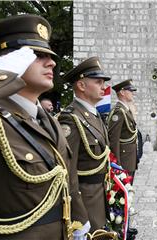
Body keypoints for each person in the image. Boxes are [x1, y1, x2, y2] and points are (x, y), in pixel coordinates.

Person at [0, 15, 89, 239]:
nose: (52, 63)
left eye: (51, 56)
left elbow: (69, 180)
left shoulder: (49, 121)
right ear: (10, 60)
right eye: (37, 55)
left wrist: (81, 220)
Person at [58, 57, 111, 232]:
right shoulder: (71, 118)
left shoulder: (93, 114)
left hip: (99, 195)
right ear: (81, 86)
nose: (104, 87)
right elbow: (67, 170)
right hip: (85, 201)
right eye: (98, 82)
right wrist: (78, 216)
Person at [108, 79, 138, 183]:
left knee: (129, 190)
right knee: (124, 191)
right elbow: (113, 139)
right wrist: (116, 164)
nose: (132, 93)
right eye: (130, 91)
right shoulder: (119, 111)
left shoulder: (126, 110)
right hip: (123, 160)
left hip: (130, 158)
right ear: (122, 92)